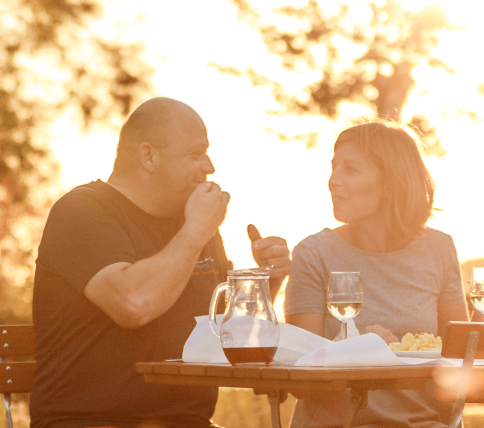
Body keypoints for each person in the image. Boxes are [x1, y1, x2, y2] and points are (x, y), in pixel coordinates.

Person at [30, 97, 291, 428]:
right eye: (195, 154)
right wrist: (196, 230)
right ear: (149, 156)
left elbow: (220, 329)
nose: (209, 167)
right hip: (90, 421)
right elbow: (133, 304)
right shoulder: (81, 212)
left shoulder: (195, 225)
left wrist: (266, 281)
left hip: (188, 421)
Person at [284, 122, 466, 428]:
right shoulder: (313, 254)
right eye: (334, 167)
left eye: (350, 170)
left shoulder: (439, 248)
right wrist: (356, 350)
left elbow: (460, 357)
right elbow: (301, 380)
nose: (333, 181)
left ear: (389, 184)